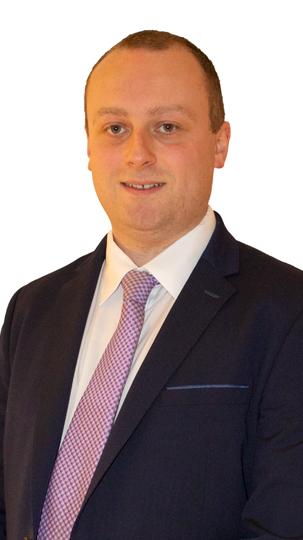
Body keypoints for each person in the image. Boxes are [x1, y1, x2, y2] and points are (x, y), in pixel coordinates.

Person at [1, 29, 303, 540]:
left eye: (167, 126)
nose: (138, 153)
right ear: (90, 147)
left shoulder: (287, 313)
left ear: (220, 143)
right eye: (115, 127)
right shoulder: (33, 309)